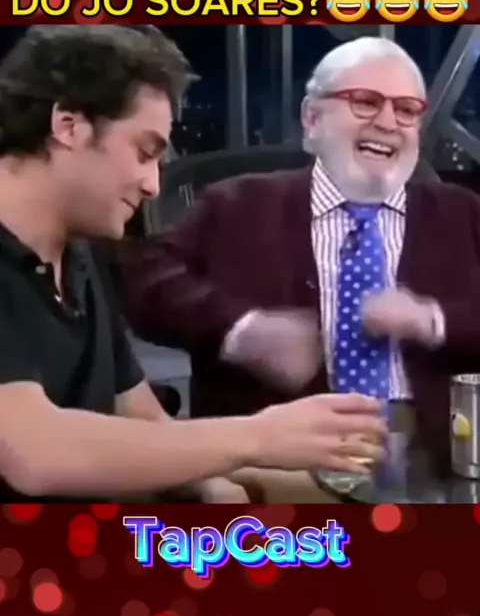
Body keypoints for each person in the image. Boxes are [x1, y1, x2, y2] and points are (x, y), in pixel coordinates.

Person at [0, 25, 386, 503]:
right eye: (144, 153)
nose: (152, 187)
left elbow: (145, 424)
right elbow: (36, 454)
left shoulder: (78, 256)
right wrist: (260, 435)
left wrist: (221, 486)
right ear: (68, 126)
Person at [121, 36, 480, 466]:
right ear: (312, 119)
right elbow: (142, 281)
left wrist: (435, 321)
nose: (388, 122)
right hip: (277, 456)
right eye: (365, 102)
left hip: (441, 455)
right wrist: (240, 328)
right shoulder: (236, 205)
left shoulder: (463, 214)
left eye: (406, 110)